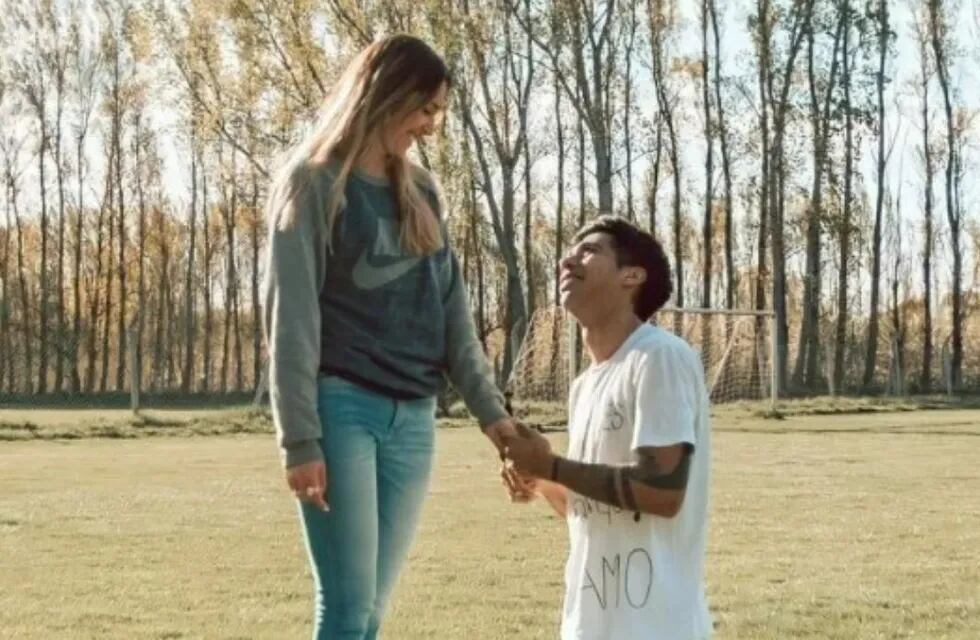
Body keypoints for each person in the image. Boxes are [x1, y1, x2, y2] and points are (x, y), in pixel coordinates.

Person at [261, 34, 518, 640]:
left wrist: (496, 419)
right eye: (425, 109)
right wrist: (299, 440)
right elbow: (291, 320)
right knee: (348, 608)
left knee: (372, 609)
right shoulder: (312, 184)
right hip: (342, 409)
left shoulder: (422, 191)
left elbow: (451, 312)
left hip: (415, 419)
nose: (431, 126)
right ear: (386, 95)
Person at [502, 216, 713, 639]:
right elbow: (587, 511)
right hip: (589, 624)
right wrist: (540, 478)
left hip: (654, 627)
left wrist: (553, 465)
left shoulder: (659, 357)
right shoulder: (584, 386)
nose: (567, 260)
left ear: (631, 276)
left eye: (589, 250)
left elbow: (662, 491)